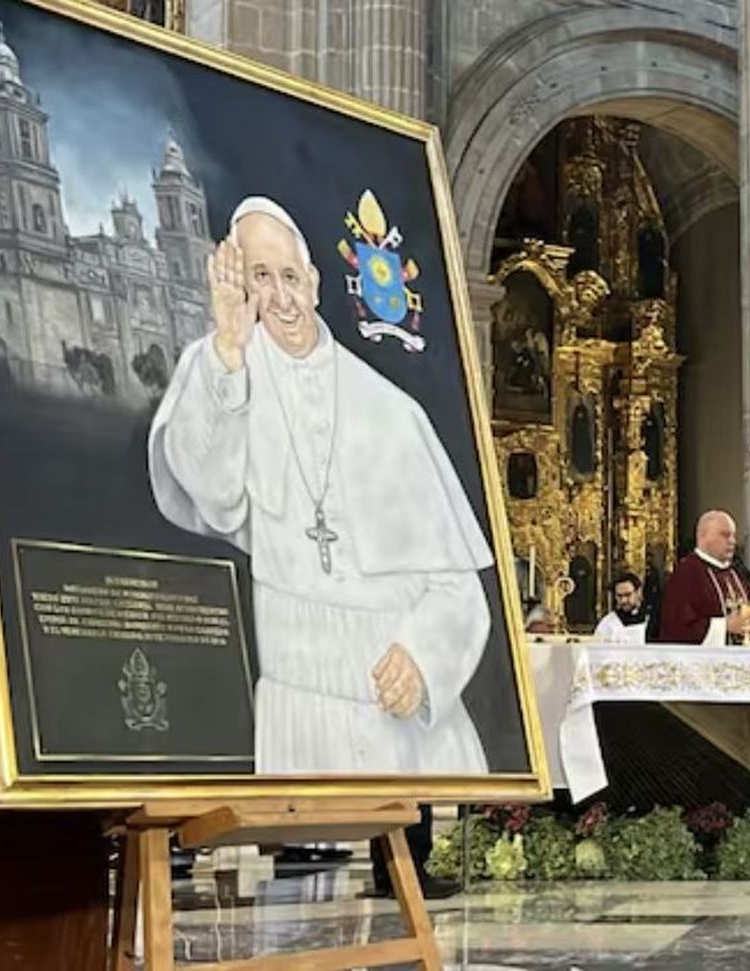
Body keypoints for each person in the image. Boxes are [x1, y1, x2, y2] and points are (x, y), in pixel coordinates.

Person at [149, 196, 495, 775]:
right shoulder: (218, 369)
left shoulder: (391, 410)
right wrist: (229, 354)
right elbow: (211, 490)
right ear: (236, 282)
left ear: (312, 282)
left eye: (290, 277)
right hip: (298, 703)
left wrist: (423, 657)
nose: (281, 297)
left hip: (402, 718)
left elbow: (458, 588)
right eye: (261, 278)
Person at [658, 510, 750, 644]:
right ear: (703, 536)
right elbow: (678, 628)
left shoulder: (736, 573)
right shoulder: (686, 574)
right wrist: (725, 626)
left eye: (733, 535)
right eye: (725, 535)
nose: (732, 541)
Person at [594, 572, 649, 644]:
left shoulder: (651, 620)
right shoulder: (607, 623)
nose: (623, 600)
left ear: (638, 592)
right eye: (619, 596)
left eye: (628, 595)